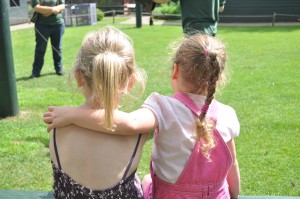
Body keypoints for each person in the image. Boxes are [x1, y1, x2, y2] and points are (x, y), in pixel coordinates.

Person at [44, 33, 240, 199]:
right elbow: (233, 163)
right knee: (145, 180)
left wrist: (72, 114)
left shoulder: (163, 107)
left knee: (148, 180)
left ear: (176, 70)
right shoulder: (228, 114)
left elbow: (127, 123)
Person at [47, 26, 148, 198]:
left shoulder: (59, 126)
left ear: (79, 77)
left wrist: (72, 115)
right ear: (131, 82)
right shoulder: (138, 132)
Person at [30, 0, 65, 78]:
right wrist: (53, 9)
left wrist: (46, 10)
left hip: (58, 24)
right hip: (42, 25)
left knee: (57, 48)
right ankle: (36, 72)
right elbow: (36, 7)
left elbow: (62, 6)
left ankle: (59, 68)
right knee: (40, 49)